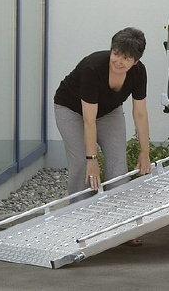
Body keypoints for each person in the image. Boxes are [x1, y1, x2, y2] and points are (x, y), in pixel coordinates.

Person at [54, 27, 152, 204]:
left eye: (126, 58)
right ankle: (79, 209)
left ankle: (117, 208)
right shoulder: (93, 68)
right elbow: (89, 120)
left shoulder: (139, 73)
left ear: (135, 62)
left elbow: (140, 114)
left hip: (109, 111)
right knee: (82, 162)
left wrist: (145, 152)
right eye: (116, 54)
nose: (118, 61)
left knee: (117, 161)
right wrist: (92, 159)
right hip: (71, 110)